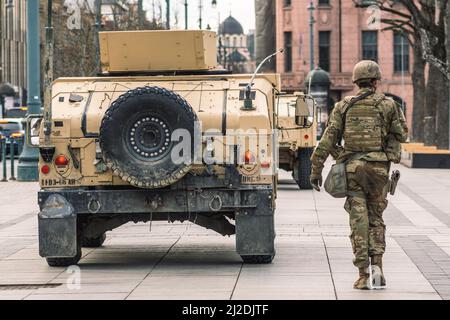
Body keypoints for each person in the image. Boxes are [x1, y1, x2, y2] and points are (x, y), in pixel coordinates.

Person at [309, 60, 408, 289]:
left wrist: (316, 170)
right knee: (376, 219)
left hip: (352, 170)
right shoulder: (388, 105)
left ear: (356, 82)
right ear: (375, 81)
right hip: (378, 171)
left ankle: (363, 275)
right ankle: (378, 269)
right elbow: (402, 134)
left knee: (358, 220)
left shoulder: (344, 106)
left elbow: (328, 139)